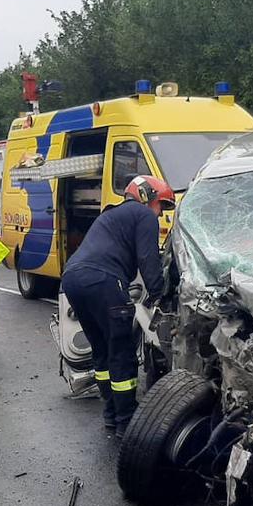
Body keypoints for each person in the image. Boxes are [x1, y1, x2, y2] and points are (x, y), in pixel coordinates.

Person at [60, 175, 174, 436]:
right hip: (103, 280)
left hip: (73, 279)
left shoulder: (112, 216)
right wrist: (159, 294)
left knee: (101, 349)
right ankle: (127, 420)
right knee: (121, 350)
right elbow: (148, 260)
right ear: (147, 197)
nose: (159, 215)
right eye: (161, 206)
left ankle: (111, 414)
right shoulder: (142, 216)